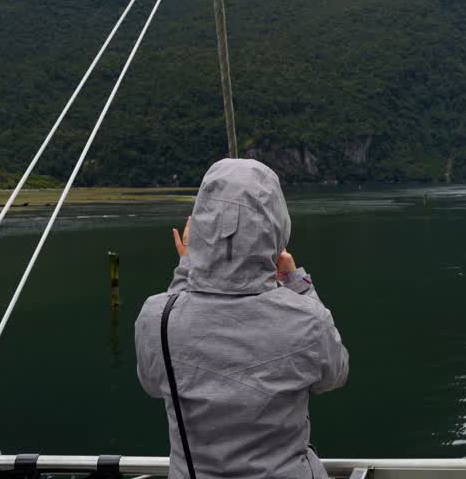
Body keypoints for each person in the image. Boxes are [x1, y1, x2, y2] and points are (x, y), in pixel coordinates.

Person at [135, 159, 349, 479]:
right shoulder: (308, 319)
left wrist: (186, 270)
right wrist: (297, 283)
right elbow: (335, 375)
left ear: (201, 226)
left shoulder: (156, 317)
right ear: (278, 226)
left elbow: (153, 383)